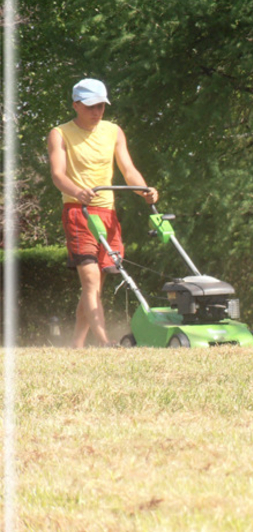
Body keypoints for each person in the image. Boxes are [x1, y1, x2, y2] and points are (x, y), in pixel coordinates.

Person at [48, 78, 158, 347]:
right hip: (78, 211)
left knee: (96, 286)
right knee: (89, 279)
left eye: (101, 106)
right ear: (76, 105)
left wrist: (144, 189)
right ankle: (105, 342)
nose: (97, 112)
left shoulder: (113, 131)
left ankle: (76, 344)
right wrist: (78, 191)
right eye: (90, 106)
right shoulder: (59, 133)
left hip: (107, 214)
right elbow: (58, 175)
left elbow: (128, 170)